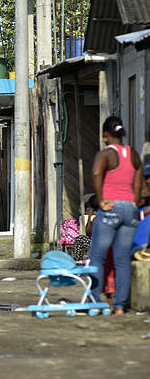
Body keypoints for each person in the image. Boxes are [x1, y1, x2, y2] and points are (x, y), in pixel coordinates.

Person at [89, 116, 142, 315]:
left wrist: (101, 199)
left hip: (111, 207)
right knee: (122, 259)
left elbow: (96, 174)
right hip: (130, 209)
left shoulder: (105, 154)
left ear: (106, 135)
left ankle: (95, 301)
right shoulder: (133, 154)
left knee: (97, 256)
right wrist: (133, 202)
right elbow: (137, 185)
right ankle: (119, 306)